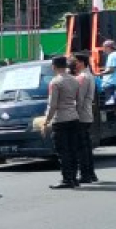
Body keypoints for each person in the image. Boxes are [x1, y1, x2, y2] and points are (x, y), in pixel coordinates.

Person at [43, 56, 83, 189]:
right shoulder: (75, 80)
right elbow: (79, 100)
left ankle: (67, 179)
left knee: (62, 151)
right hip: (74, 117)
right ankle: (74, 178)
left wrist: (46, 121)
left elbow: (53, 104)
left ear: (54, 66)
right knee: (73, 149)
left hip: (60, 119)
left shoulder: (55, 82)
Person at [72, 52, 99, 184]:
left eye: (75, 61)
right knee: (86, 146)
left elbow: (79, 99)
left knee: (81, 147)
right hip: (87, 113)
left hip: (81, 115)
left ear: (81, 62)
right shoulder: (89, 76)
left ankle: (85, 174)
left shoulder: (83, 77)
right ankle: (91, 173)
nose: (73, 64)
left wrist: (75, 114)